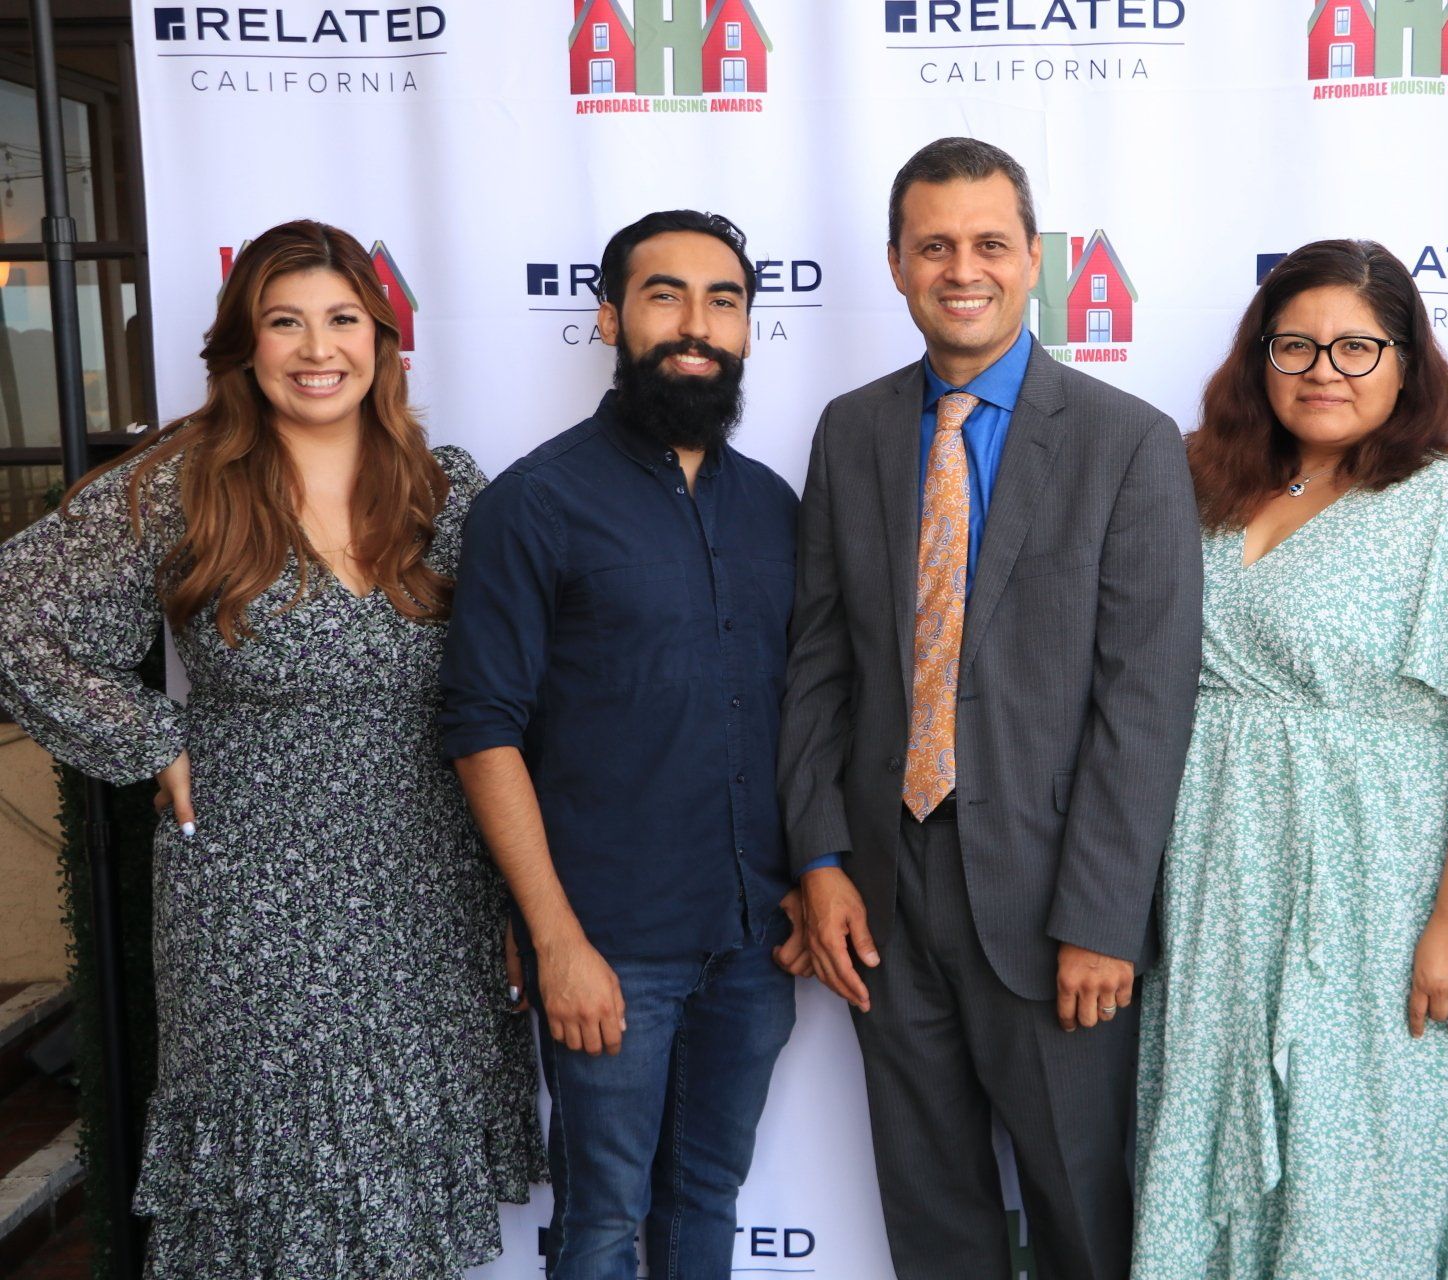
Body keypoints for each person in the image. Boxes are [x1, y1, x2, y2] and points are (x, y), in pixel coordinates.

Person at [0, 220, 543, 1278]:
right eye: (284, 322)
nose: (317, 348)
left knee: (400, 1179)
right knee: (282, 1183)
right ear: (246, 346)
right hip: (254, 893)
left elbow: (516, 683)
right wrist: (149, 738)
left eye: (342, 320)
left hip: (432, 883)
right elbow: (15, 615)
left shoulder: (444, 490)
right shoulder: (185, 484)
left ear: (383, 338)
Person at [778, 136, 1202, 1280]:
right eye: (934, 246)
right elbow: (818, 662)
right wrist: (820, 856)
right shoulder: (851, 429)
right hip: (882, 891)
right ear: (896, 263)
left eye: (988, 244)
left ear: (1033, 259)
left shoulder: (1128, 441)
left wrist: (1103, 916)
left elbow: (1145, 700)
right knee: (932, 1219)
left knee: (1083, 1216)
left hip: (1053, 900)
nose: (961, 269)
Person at [1133, 239, 1448, 1279]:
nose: (1324, 369)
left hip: (1375, 894)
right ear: (1260, 358)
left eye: (1358, 347)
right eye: (1296, 345)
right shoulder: (1202, 484)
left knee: (1354, 1169)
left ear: (1407, 364)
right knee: (1204, 1146)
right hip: (1216, 892)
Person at [440, 210, 806, 1280]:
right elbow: (481, 728)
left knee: (707, 1196)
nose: (696, 324)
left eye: (723, 300)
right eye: (664, 295)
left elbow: (810, 709)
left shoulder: (775, 507)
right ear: (610, 317)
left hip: (754, 938)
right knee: (602, 1219)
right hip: (609, 944)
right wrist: (554, 938)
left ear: (746, 328)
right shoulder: (533, 503)